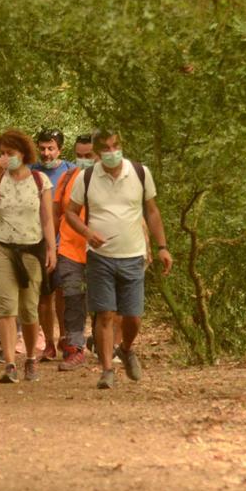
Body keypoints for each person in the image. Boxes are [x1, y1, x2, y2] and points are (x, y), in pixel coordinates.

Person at [65, 129, 173, 389]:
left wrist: (163, 247)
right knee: (104, 314)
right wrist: (87, 233)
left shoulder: (139, 172)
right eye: (106, 149)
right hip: (100, 258)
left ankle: (125, 348)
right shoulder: (87, 177)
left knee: (132, 316)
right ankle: (107, 369)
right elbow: (70, 212)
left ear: (121, 146)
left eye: (116, 146)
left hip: (133, 255)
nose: (112, 152)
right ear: (98, 153)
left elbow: (152, 211)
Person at [0, 129, 57, 384]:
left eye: (10, 153)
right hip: (2, 249)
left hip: (31, 250)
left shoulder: (39, 181)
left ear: (23, 154)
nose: (5, 157)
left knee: (29, 309)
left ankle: (31, 360)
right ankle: (10, 364)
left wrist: (51, 249)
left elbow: (47, 218)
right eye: (1, 153)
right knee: (6, 307)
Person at [51, 134, 97, 371]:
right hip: (69, 248)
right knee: (72, 297)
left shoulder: (109, 180)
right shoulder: (68, 177)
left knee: (101, 300)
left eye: (88, 156)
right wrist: (51, 245)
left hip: (102, 249)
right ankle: (75, 348)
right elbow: (55, 211)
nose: (83, 160)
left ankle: (101, 341)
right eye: (79, 156)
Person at [31, 128, 75, 362]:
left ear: (60, 149)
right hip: (36, 242)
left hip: (65, 242)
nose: (46, 153)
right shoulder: (31, 171)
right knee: (44, 296)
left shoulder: (71, 171)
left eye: (51, 148)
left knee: (63, 294)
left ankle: (65, 338)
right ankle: (48, 343)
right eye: (43, 148)